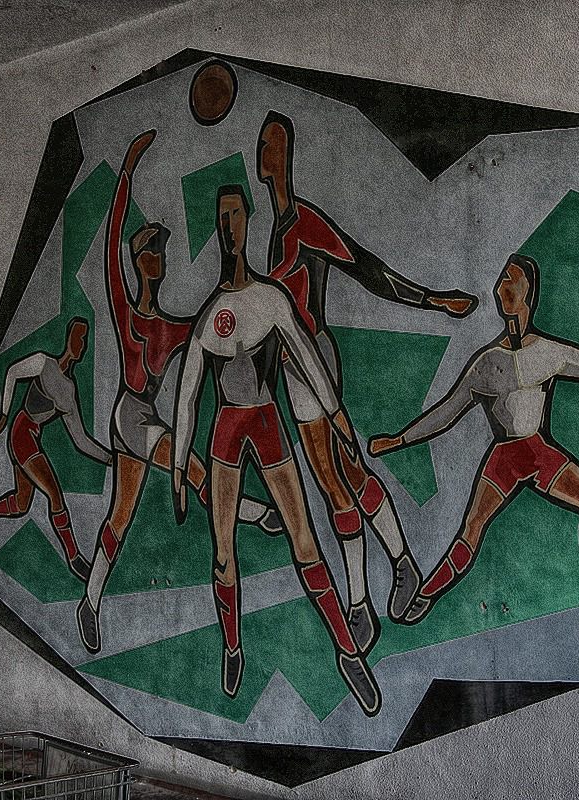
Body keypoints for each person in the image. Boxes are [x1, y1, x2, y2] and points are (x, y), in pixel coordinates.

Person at [256, 110, 480, 651]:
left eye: (278, 143)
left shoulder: (305, 223)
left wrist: (433, 299)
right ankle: (363, 600)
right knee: (335, 484)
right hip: (293, 375)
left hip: (318, 364)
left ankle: (399, 566)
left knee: (348, 473)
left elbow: (366, 266)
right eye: (266, 145)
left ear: (286, 156)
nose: (271, 153)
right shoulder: (273, 234)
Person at [368, 253, 579, 648]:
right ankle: (426, 593)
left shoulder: (546, 352)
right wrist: (399, 439)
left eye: (510, 280)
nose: (500, 287)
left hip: (539, 454)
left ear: (527, 292)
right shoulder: (487, 363)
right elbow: (446, 412)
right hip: (506, 458)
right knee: (471, 530)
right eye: (500, 281)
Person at [172, 184, 381, 716]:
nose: (229, 225)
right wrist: (178, 466)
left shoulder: (270, 299)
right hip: (226, 428)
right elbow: (188, 393)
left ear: (247, 220)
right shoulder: (210, 313)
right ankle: (233, 645)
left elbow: (308, 358)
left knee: (304, 538)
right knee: (222, 549)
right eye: (221, 216)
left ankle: (347, 651)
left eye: (236, 214)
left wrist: (337, 418)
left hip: (267, 421)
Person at [76, 130, 281, 654]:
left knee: (118, 518)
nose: (156, 260)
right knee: (186, 463)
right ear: (136, 259)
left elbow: (216, 321)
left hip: (141, 422)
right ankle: (255, 513)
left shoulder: (173, 327)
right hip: (130, 416)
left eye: (161, 253)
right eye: (148, 252)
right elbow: (107, 247)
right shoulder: (127, 310)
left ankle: (90, 601)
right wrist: (126, 171)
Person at [0, 318, 112, 582]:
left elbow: (81, 441)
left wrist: (110, 459)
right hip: (21, 433)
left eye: (84, 340)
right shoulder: (44, 364)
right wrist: (3, 416)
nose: (80, 344)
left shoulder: (69, 392)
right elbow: (12, 372)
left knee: (22, 504)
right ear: (68, 338)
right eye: (78, 337)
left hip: (31, 438)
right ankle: (74, 558)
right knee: (55, 495)